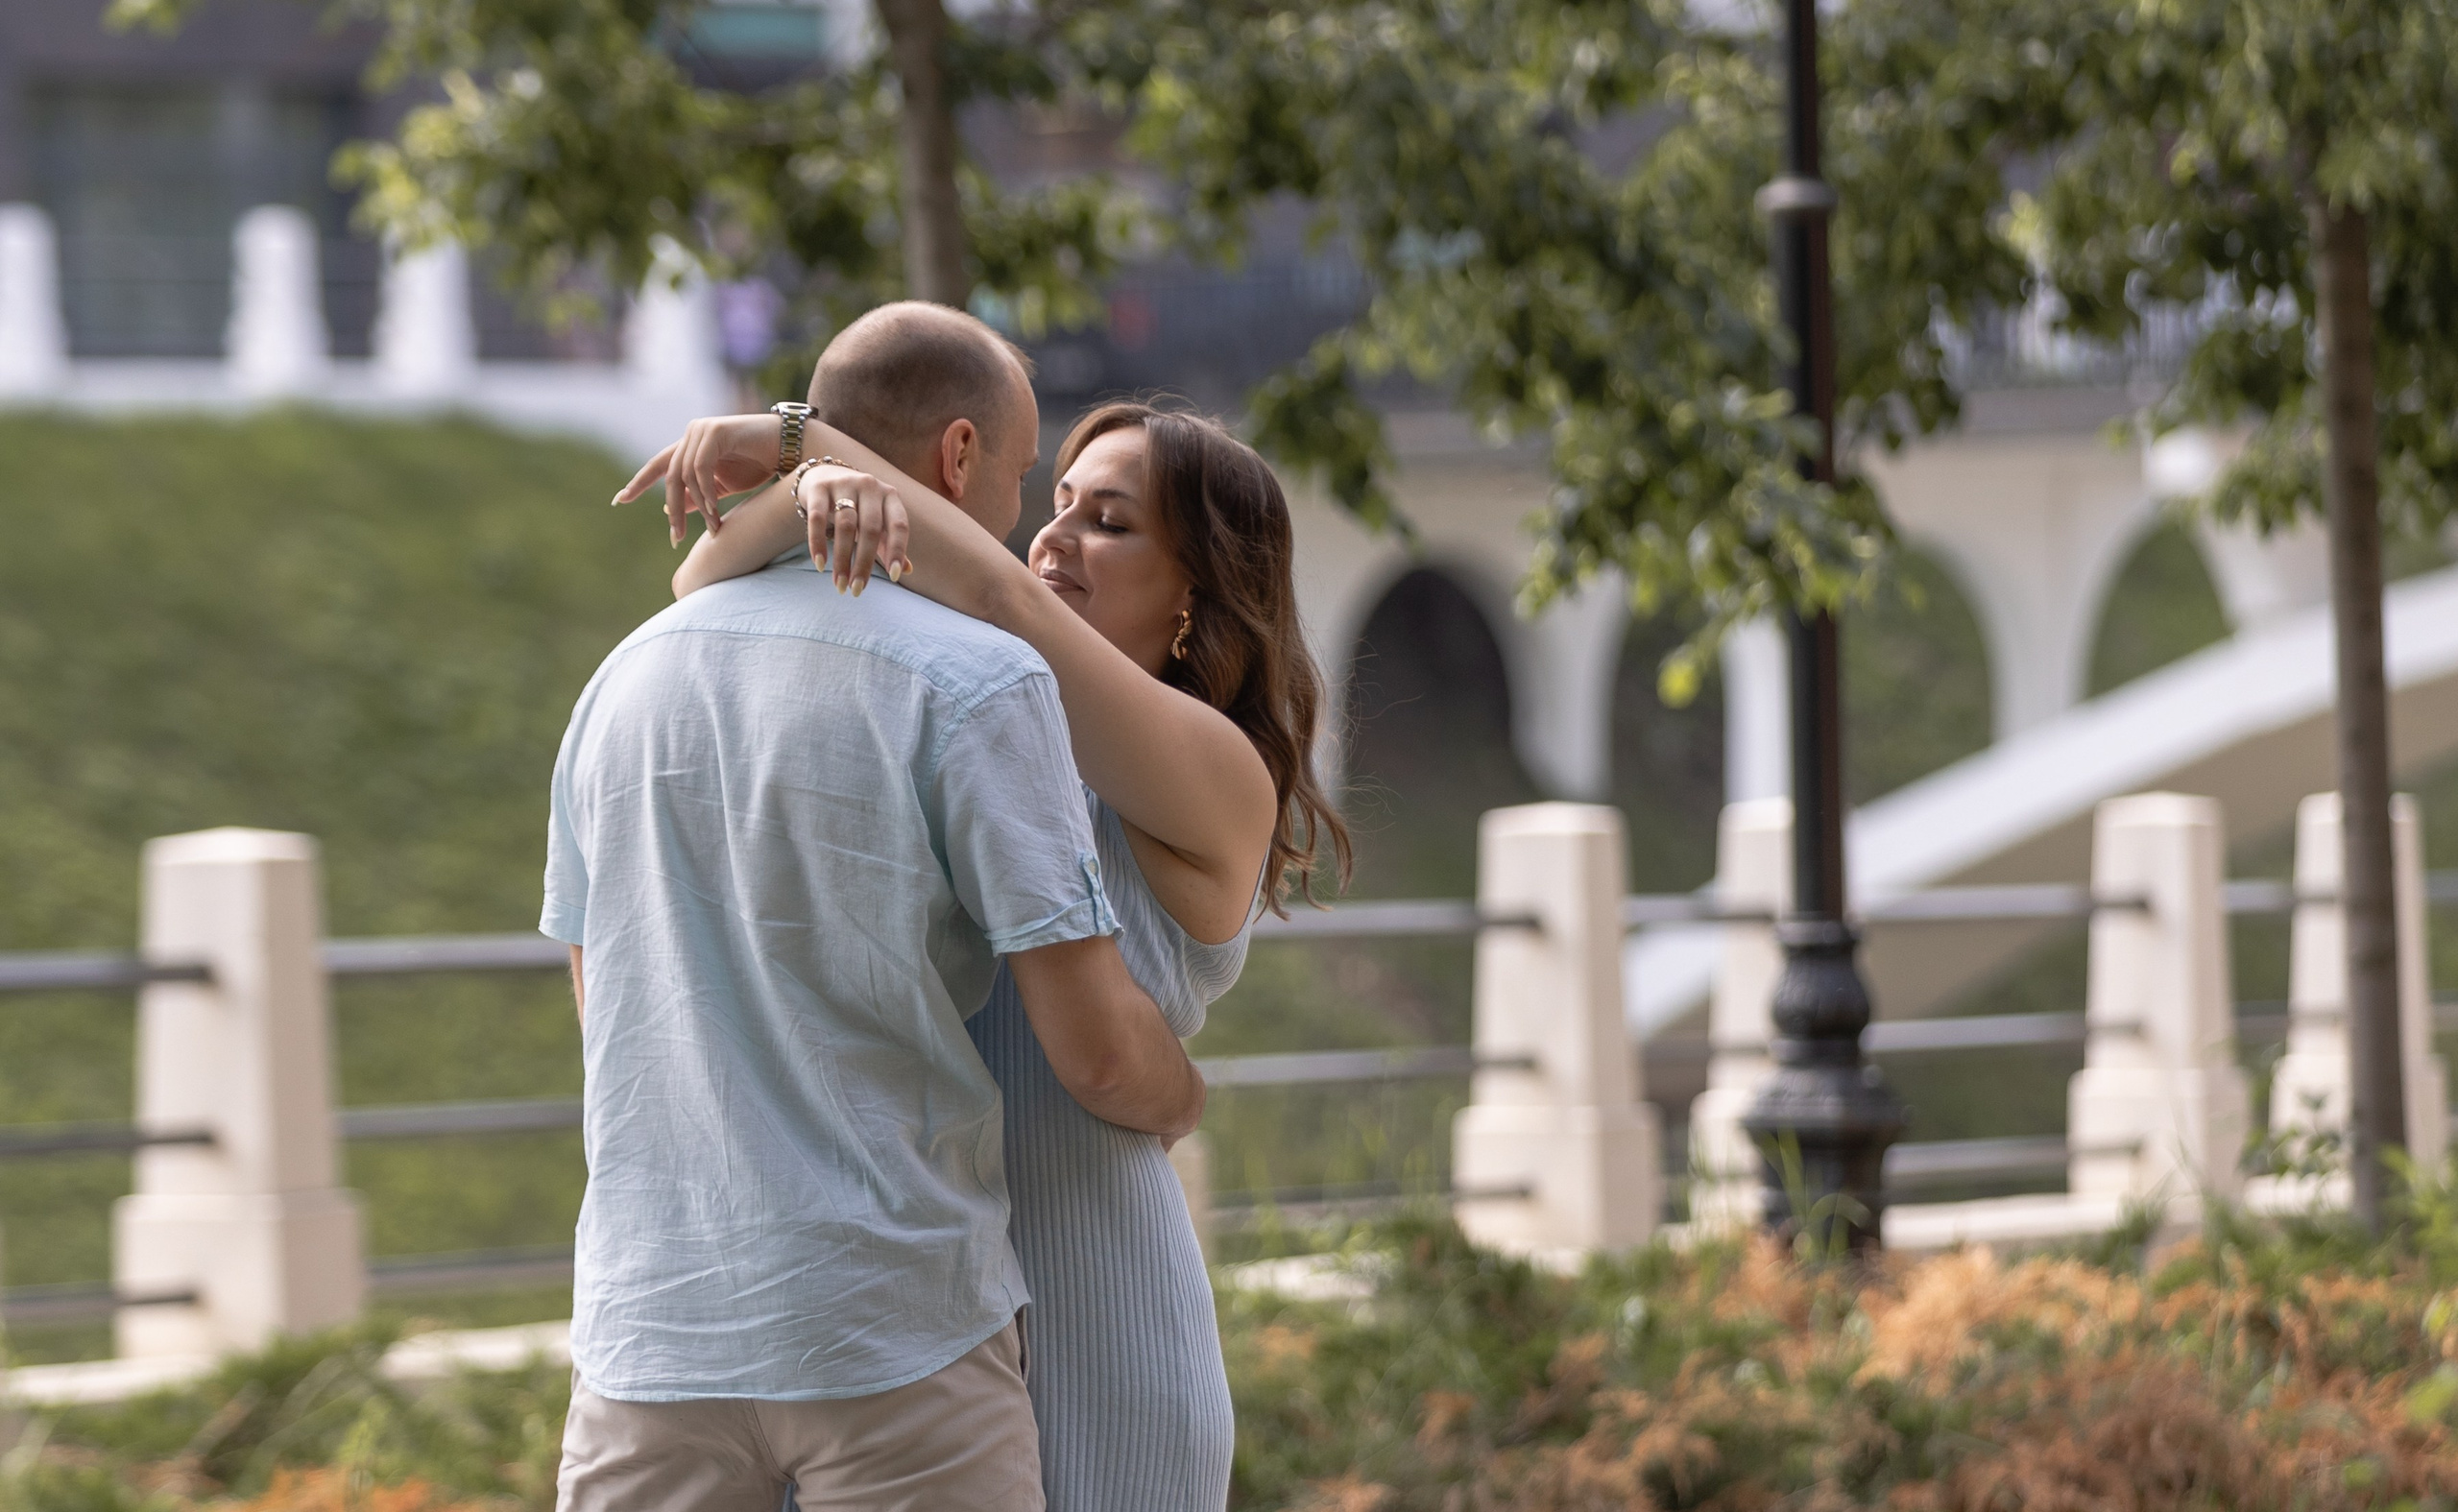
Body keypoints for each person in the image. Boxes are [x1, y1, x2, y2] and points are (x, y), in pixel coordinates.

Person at [617, 383, 1349, 1511]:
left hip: (1096, 1318)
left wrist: (799, 439)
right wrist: (813, 492)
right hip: (908, 1326)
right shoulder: (988, 716)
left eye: (1109, 521)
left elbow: (997, 589)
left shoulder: (1216, 770)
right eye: (1057, 503)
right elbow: (695, 586)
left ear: (1196, 594)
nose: (1054, 537)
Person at [544, 301, 1207, 1512]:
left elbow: (609, 1008)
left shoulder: (621, 678)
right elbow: (1103, 1057)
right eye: (1021, 476)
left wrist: (792, 473)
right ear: (959, 457)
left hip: (651, 1331)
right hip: (893, 1327)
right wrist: (1188, 1096)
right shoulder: (981, 683)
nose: (1022, 519)